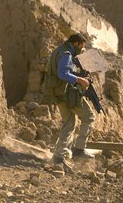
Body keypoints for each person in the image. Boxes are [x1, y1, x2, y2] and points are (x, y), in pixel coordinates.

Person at [43, 33, 95, 164]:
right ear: (76, 43)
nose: (81, 50)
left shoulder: (59, 50)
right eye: (81, 46)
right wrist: (80, 79)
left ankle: (59, 157)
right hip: (67, 93)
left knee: (69, 123)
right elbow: (62, 73)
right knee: (89, 117)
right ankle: (79, 149)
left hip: (58, 93)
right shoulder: (66, 53)